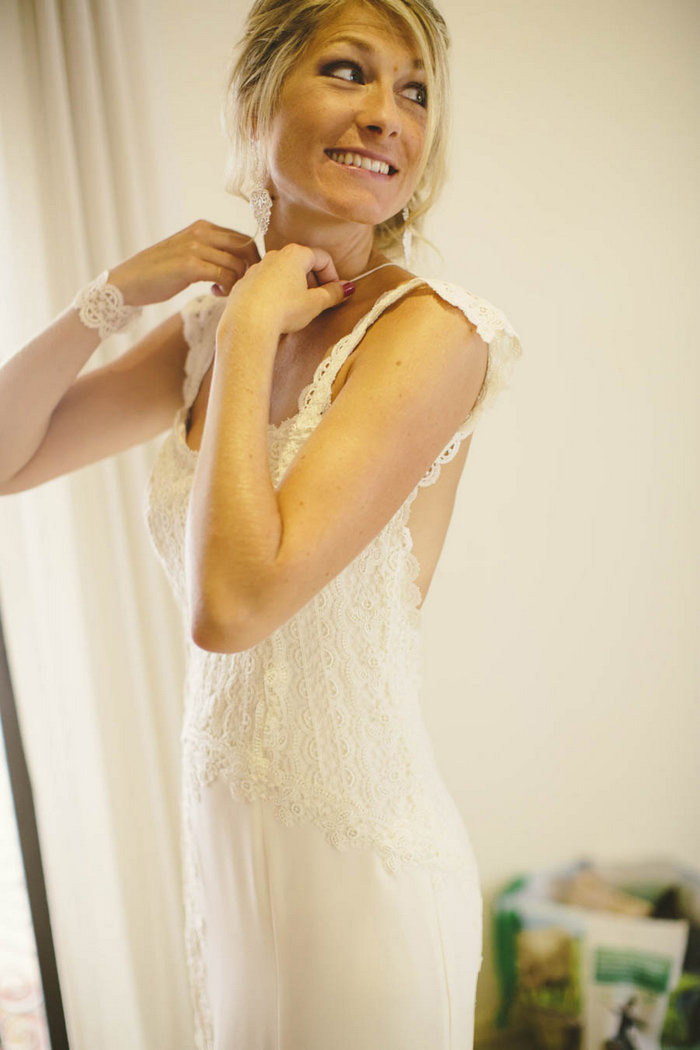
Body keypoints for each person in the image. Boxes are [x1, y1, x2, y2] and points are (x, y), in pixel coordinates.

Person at [0, 0, 523, 1046]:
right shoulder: (203, 329)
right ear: (254, 103)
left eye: (412, 90)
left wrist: (245, 335)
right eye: (346, 71)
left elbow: (232, 605)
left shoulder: (434, 334)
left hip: (360, 872)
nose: (386, 115)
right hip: (233, 847)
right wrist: (112, 295)